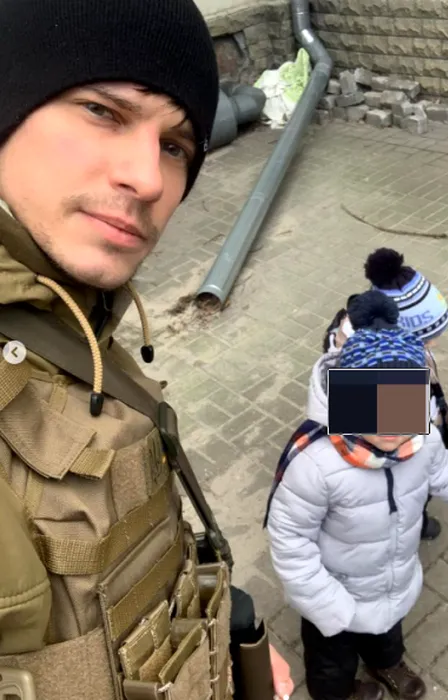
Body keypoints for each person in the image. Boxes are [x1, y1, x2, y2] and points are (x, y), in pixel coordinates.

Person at [0, 2, 271, 699]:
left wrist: (217, 651)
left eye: (175, 145)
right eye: (102, 110)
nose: (149, 179)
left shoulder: (71, 317)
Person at [266, 291, 448, 700]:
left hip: (393, 580)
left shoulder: (422, 442)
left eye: (399, 404)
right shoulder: (315, 465)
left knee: (387, 633)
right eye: (369, 404)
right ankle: (337, 691)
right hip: (335, 593)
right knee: (332, 659)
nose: (388, 424)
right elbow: (290, 541)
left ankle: (386, 663)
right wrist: (328, 606)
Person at [322, 248, 448, 540]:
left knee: (410, 481)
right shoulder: (358, 364)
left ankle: (413, 517)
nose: (434, 344)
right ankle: (404, 522)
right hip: (386, 437)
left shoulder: (387, 343)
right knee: (399, 483)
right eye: (428, 339)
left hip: (408, 418)